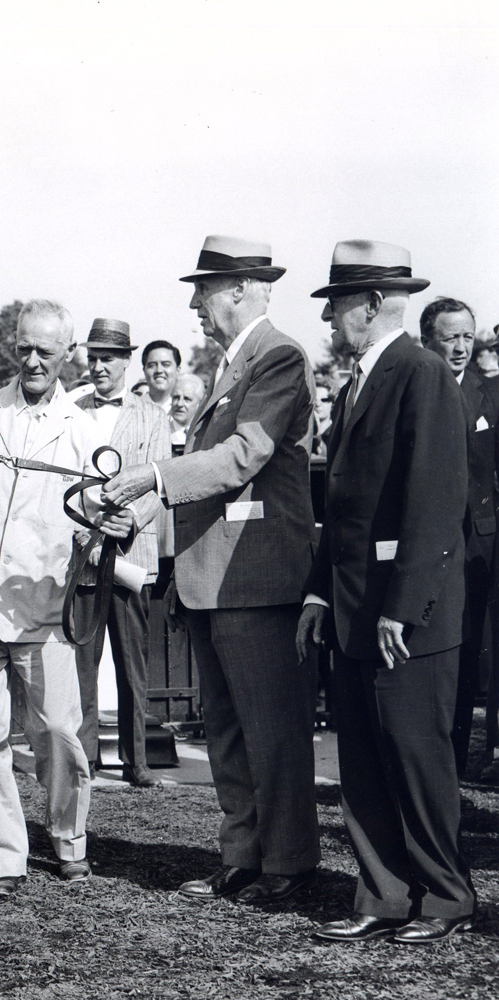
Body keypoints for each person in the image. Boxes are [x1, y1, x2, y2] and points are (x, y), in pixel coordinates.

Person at [102, 235, 319, 904]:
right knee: (226, 730)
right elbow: (209, 486)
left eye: (202, 290)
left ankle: (287, 865)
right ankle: (244, 857)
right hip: (214, 580)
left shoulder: (276, 356)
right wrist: (143, 522)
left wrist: (151, 477)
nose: (195, 304)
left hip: (253, 582)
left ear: (236, 291)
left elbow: (240, 458)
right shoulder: (232, 366)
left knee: (271, 732)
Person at [298, 241, 476, 944]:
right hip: (350, 609)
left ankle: (444, 897)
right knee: (364, 759)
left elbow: (435, 504)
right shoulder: (360, 383)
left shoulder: (421, 374)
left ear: (371, 307)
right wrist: (317, 595)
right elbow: (341, 508)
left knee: (414, 755)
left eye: (338, 305)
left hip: (406, 617)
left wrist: (403, 607)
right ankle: (382, 892)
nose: (331, 319)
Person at [0, 299, 123, 897]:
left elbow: (105, 506)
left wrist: (111, 524)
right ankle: (6, 857)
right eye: (23, 349)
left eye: (45, 351)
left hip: (47, 605)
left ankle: (68, 838)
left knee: (57, 733)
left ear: (68, 356)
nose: (32, 360)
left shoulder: (85, 429)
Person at [68, 319, 171, 786]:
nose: (99, 366)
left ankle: (137, 762)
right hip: (83, 551)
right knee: (82, 660)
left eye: (108, 358)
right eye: (93, 357)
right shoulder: (73, 410)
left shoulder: (152, 414)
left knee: (133, 663)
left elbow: (162, 478)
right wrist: (83, 533)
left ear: (128, 361)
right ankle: (83, 759)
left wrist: (134, 519)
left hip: (131, 554)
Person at [418, 297, 499, 777]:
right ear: (429, 338)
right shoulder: (415, 387)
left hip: (477, 542)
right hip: (427, 541)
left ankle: (454, 759)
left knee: (470, 646)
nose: (461, 347)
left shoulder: (489, 394)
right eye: (451, 337)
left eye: (469, 337)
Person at [141, 341, 181, 413]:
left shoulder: (187, 411)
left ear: (178, 370)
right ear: (144, 370)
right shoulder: (132, 408)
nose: (159, 370)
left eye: (166, 364)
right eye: (152, 365)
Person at [167, 373, 206, 447]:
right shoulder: (161, 433)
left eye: (187, 399)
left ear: (200, 403)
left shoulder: (205, 433)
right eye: (176, 397)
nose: (179, 404)